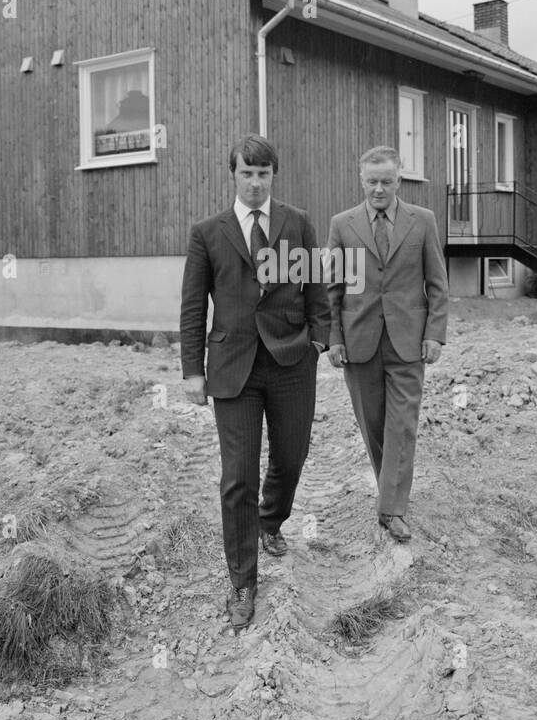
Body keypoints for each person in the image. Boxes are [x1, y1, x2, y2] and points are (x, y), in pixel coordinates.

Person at [180, 135, 330, 629]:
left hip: (290, 360)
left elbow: (315, 287)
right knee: (238, 476)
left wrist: (319, 339)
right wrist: (192, 371)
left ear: (273, 175)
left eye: (264, 173)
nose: (255, 182)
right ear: (233, 175)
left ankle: (271, 521)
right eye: (247, 173)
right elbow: (192, 307)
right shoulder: (208, 233)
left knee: (291, 455)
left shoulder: (297, 222)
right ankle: (243, 581)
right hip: (233, 366)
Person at [327, 145, 448, 542]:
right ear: (361, 180)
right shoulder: (342, 224)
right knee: (373, 425)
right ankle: (390, 489)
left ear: (400, 180)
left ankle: (391, 509)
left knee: (402, 425)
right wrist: (334, 339)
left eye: (387, 181)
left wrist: (434, 333)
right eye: (372, 181)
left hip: (408, 342)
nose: (379, 189)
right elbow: (333, 287)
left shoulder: (423, 221)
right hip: (359, 340)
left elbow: (437, 283)